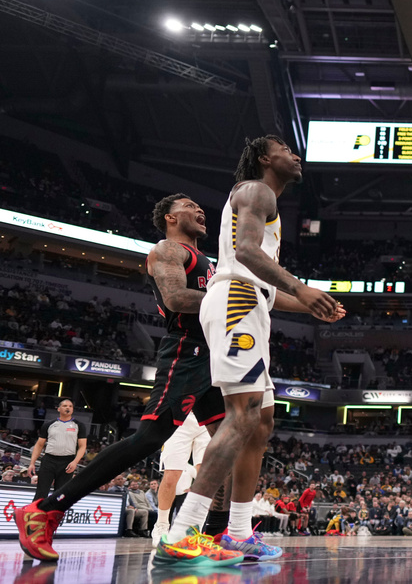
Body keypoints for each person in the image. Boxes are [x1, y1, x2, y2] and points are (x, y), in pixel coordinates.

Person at [15, 194, 244, 566]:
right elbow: (174, 298)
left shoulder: (211, 263)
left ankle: (220, 534)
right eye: (189, 205)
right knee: (151, 437)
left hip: (213, 356)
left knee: (232, 445)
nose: (200, 209)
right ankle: (46, 509)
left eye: (199, 206)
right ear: (170, 217)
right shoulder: (168, 249)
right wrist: (233, 301)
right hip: (187, 350)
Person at [160, 136, 344, 565]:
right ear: (265, 158)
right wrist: (301, 287)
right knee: (241, 416)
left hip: (252, 302)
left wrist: (312, 305)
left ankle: (238, 533)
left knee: (261, 423)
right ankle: (184, 531)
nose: (295, 155)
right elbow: (244, 254)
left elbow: (264, 284)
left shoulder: (266, 205)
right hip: (235, 304)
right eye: (285, 149)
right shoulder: (255, 190)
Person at [151, 411, 211, 546]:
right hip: (181, 416)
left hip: (209, 415)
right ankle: (161, 525)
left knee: (205, 477)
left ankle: (196, 529)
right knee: (171, 477)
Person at [27, 399, 87, 503]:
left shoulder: (79, 425)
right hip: (49, 459)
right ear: (58, 409)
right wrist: (32, 463)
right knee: (41, 492)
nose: (68, 408)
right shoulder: (49, 424)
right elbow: (39, 445)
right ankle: (35, 516)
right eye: (65, 406)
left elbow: (82, 446)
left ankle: (56, 518)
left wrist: (75, 462)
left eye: (70, 406)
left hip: (68, 461)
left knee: (61, 495)